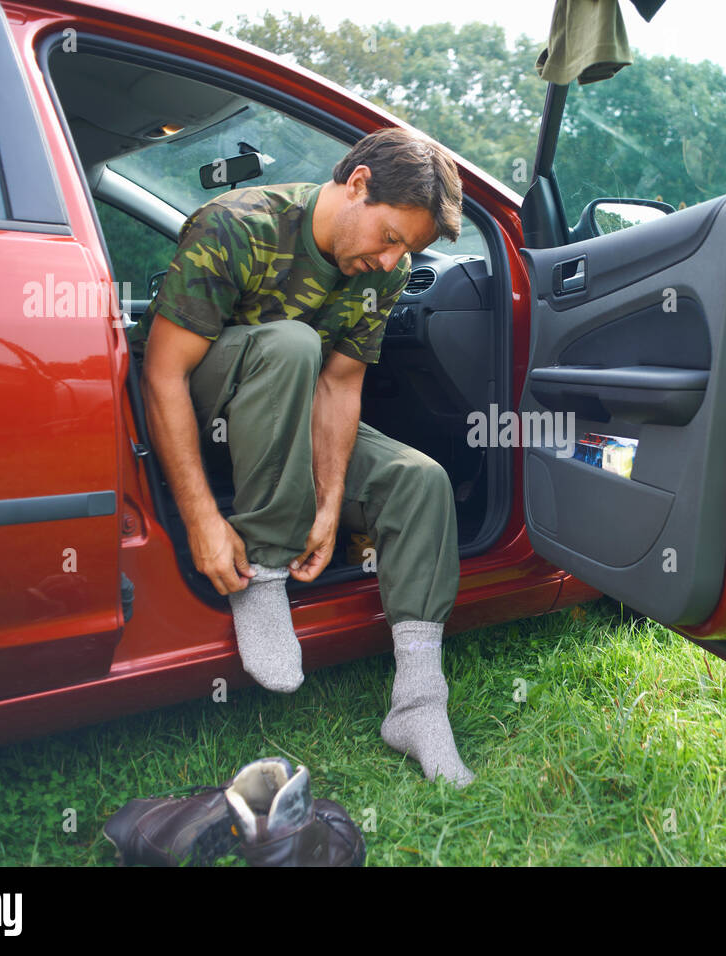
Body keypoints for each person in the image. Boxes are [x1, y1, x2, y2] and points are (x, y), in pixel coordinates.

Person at [141, 128, 473, 787]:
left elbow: (341, 383)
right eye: (390, 237)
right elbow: (163, 375)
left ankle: (418, 703)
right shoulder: (235, 226)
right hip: (211, 409)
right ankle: (265, 574)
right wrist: (205, 519)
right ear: (357, 185)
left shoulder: (387, 271)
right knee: (293, 343)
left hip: (291, 413)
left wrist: (328, 504)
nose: (391, 261)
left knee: (419, 481)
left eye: (405, 250)